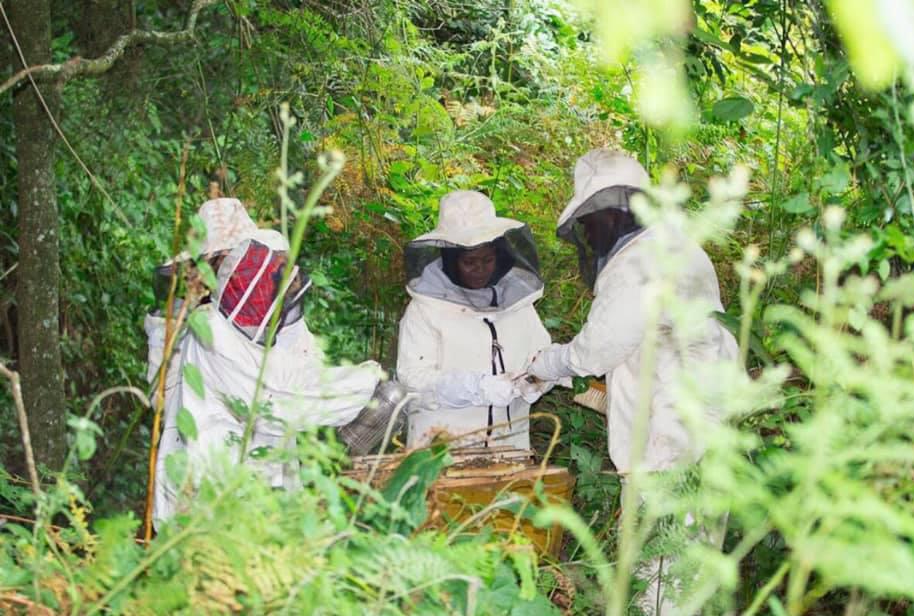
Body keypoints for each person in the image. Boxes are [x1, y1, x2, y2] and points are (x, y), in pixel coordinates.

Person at [524, 149, 739, 613]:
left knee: (655, 576)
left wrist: (547, 363)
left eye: (591, 220)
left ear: (615, 211)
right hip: (704, 437)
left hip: (667, 447)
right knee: (693, 570)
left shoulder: (638, 263)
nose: (589, 233)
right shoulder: (680, 247)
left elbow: (597, 349)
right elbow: (649, 353)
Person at [146, 198, 382, 523]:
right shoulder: (205, 327)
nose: (228, 270)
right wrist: (366, 384)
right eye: (220, 261)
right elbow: (273, 400)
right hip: (208, 489)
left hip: (264, 480)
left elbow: (302, 369)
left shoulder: (267, 318)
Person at [396, 190, 552, 450]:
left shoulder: (518, 304)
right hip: (440, 448)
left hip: (509, 447)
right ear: (451, 260)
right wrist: (476, 388)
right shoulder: (424, 309)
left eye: (488, 260)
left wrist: (538, 382)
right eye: (469, 262)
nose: (480, 269)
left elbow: (542, 355)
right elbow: (412, 379)